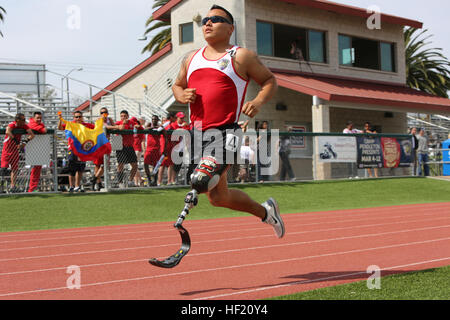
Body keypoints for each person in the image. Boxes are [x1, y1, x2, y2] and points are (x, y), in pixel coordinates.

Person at [171, 4, 284, 239]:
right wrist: (180, 95)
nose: (208, 23)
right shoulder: (190, 58)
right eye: (205, 20)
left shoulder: (241, 56)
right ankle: (267, 212)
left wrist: (258, 102)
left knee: (202, 178)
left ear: (230, 28)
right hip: (198, 134)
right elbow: (177, 84)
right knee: (218, 198)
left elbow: (269, 81)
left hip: (225, 132)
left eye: (215, 19)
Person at [58, 111, 94, 192]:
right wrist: (60, 119)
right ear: (74, 118)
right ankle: (71, 186)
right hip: (72, 149)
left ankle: (77, 186)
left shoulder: (86, 125)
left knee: (80, 168)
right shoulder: (70, 124)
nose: (78, 118)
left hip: (82, 149)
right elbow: (60, 128)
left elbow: (95, 128)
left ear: (82, 117)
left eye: (79, 117)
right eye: (76, 117)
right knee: (71, 168)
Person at [1, 113, 35, 193]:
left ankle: (13, 186)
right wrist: (16, 141)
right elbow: (8, 131)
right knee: (3, 169)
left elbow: (32, 135)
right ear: (17, 120)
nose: (24, 121)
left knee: (14, 168)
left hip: (15, 150)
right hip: (7, 149)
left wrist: (25, 142)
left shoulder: (24, 126)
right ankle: (2, 186)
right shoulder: (12, 124)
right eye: (22, 119)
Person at [111, 110, 139, 188]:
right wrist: (123, 123)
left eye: (124, 116)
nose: (123, 117)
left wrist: (137, 125)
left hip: (129, 145)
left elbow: (138, 125)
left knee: (135, 165)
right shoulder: (118, 123)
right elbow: (120, 128)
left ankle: (130, 181)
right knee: (120, 165)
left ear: (127, 116)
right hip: (119, 144)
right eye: (121, 116)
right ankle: (120, 182)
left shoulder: (131, 122)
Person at [91, 107, 115, 191]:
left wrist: (116, 126)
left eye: (105, 112)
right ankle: (98, 183)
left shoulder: (110, 119)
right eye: (102, 112)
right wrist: (118, 126)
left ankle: (94, 179)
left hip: (106, 144)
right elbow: (107, 127)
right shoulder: (98, 120)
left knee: (106, 164)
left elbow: (113, 126)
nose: (104, 114)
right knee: (97, 165)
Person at [27, 111, 47, 192]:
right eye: (37, 118)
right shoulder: (31, 123)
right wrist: (42, 128)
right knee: (35, 169)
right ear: (33, 118)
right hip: (32, 148)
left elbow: (43, 129)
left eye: (40, 118)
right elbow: (44, 130)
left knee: (37, 169)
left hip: (38, 148)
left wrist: (42, 128)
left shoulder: (39, 124)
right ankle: (31, 188)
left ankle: (33, 188)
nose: (39, 119)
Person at [144, 115, 166, 186]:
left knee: (155, 166)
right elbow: (145, 129)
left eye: (155, 119)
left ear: (157, 120)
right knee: (145, 163)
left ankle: (155, 181)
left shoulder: (159, 127)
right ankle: (149, 179)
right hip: (149, 148)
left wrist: (161, 128)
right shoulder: (149, 125)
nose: (154, 120)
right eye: (153, 119)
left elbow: (165, 134)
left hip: (156, 149)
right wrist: (152, 127)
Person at [170, 112, 190, 185]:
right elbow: (177, 132)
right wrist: (183, 127)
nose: (182, 119)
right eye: (181, 118)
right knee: (174, 165)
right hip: (175, 148)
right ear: (177, 118)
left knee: (178, 165)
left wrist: (185, 126)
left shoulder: (184, 125)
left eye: (183, 118)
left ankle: (174, 180)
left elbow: (188, 130)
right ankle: (172, 180)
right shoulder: (174, 124)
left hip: (182, 148)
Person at [158, 111, 177, 186]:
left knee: (168, 164)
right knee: (165, 164)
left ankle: (161, 182)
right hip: (166, 146)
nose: (175, 118)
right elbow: (162, 130)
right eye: (174, 117)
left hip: (167, 146)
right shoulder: (168, 123)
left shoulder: (168, 123)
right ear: (171, 117)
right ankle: (164, 181)